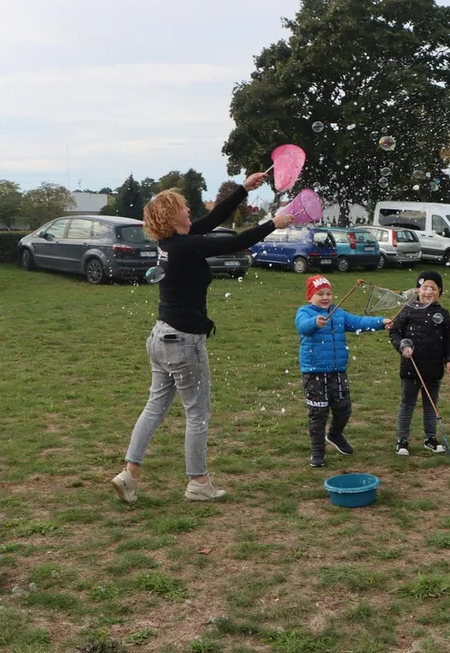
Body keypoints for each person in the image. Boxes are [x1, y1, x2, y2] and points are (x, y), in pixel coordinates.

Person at [111, 173, 293, 504]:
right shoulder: (185, 247)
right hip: (182, 342)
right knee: (198, 413)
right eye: (183, 207)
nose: (188, 210)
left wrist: (242, 189)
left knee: (154, 407)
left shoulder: (173, 243)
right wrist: (272, 223)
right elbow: (234, 242)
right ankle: (198, 482)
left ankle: (129, 474)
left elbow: (211, 220)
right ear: (172, 216)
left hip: (160, 337)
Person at [296, 275, 391, 467]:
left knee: (344, 408)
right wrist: (315, 322)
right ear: (310, 297)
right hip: (314, 371)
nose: (325, 297)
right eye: (320, 294)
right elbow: (303, 327)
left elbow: (358, 322)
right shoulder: (304, 312)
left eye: (328, 293)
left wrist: (381, 322)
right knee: (318, 413)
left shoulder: (338, 313)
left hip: (338, 371)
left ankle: (335, 434)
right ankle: (317, 452)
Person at [388, 270, 450, 456]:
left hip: (434, 368)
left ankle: (430, 439)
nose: (428, 291)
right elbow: (394, 333)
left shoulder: (443, 314)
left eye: (433, 288)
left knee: (431, 405)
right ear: (417, 290)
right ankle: (402, 440)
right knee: (407, 404)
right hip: (411, 367)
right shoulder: (407, 310)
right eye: (424, 287)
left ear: (440, 292)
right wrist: (402, 347)